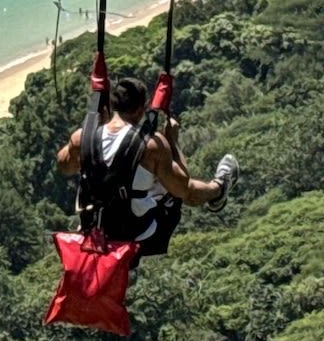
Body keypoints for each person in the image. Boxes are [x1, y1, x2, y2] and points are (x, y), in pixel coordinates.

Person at [55, 74, 235, 260]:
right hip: (137, 238)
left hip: (92, 234)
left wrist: (87, 139)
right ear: (141, 109)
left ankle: (216, 189)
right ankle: (218, 189)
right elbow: (183, 188)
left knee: (142, 182)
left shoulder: (80, 138)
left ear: (113, 106)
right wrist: (172, 142)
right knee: (175, 190)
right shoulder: (151, 146)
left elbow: (64, 167)